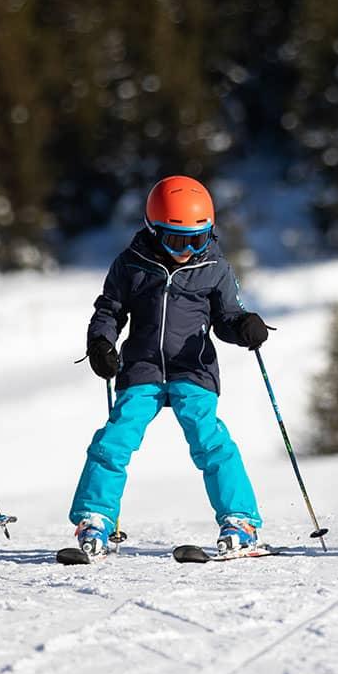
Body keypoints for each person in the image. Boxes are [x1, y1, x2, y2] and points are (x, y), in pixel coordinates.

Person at [70, 175, 273, 558]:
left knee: (210, 440)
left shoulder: (214, 266)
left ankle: (241, 520)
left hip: (192, 369)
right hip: (141, 368)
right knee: (114, 440)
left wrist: (244, 327)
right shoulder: (132, 264)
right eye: (177, 240)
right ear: (152, 228)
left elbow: (228, 316)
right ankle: (95, 517)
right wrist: (100, 342)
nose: (187, 250)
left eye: (198, 239)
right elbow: (109, 310)